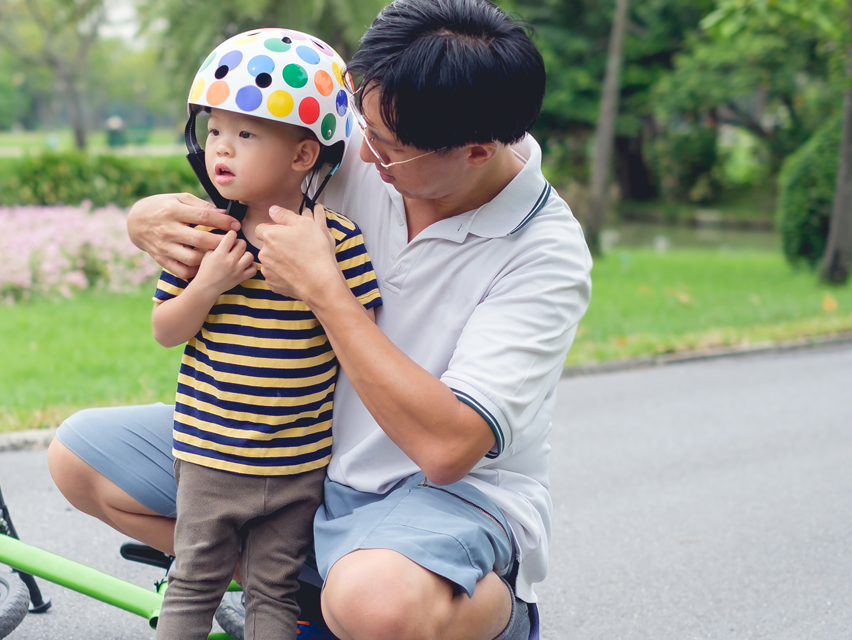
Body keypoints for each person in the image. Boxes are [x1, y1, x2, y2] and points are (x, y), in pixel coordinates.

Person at [48, 0, 593, 638]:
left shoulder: (544, 254)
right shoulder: (364, 141)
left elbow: (449, 448)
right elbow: (238, 170)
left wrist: (325, 291)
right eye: (363, 127)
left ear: (476, 151)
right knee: (78, 459)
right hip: (294, 442)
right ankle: (291, 590)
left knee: (377, 604)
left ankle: (478, 614)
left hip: (439, 494)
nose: (363, 155)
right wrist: (143, 218)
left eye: (388, 149)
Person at [144, 29, 380, 640]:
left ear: (304, 156)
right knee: (194, 580)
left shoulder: (337, 240)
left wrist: (319, 282)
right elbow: (166, 330)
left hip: (297, 464)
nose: (222, 148)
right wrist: (206, 286)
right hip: (209, 457)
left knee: (273, 592)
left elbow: (362, 339)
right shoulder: (205, 236)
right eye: (216, 131)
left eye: (246, 135)